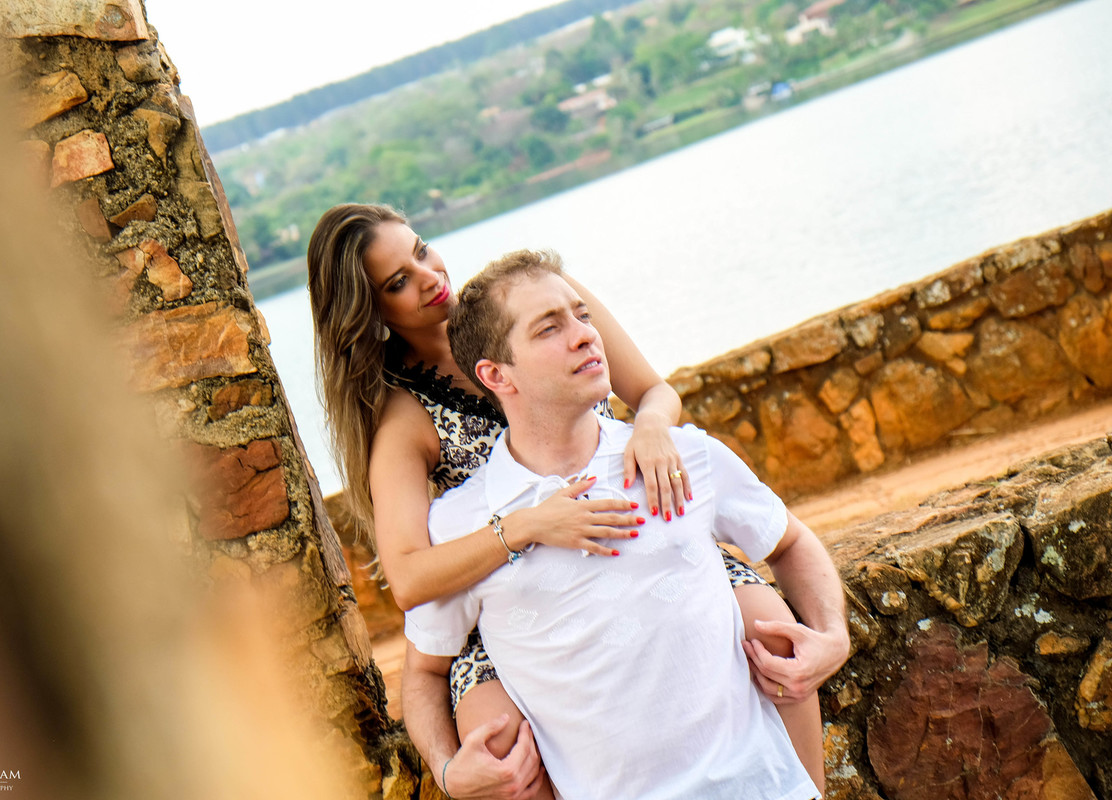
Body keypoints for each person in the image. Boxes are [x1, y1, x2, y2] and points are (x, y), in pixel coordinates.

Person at [306, 204, 842, 797]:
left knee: (770, 634)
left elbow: (654, 392)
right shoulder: (405, 418)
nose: (430, 276)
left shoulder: (534, 301)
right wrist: (528, 526)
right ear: (371, 311)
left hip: (625, 520)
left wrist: (650, 430)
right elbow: (407, 578)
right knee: (506, 752)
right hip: (509, 584)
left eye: (422, 250)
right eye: (398, 282)